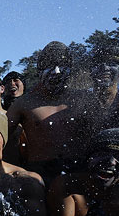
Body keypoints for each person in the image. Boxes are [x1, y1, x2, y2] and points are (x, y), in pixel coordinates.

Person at [7, 41, 92, 185]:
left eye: (62, 65)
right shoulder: (24, 103)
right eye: (50, 66)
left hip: (79, 170)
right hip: (39, 173)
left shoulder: (83, 99)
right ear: (39, 71)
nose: (57, 71)